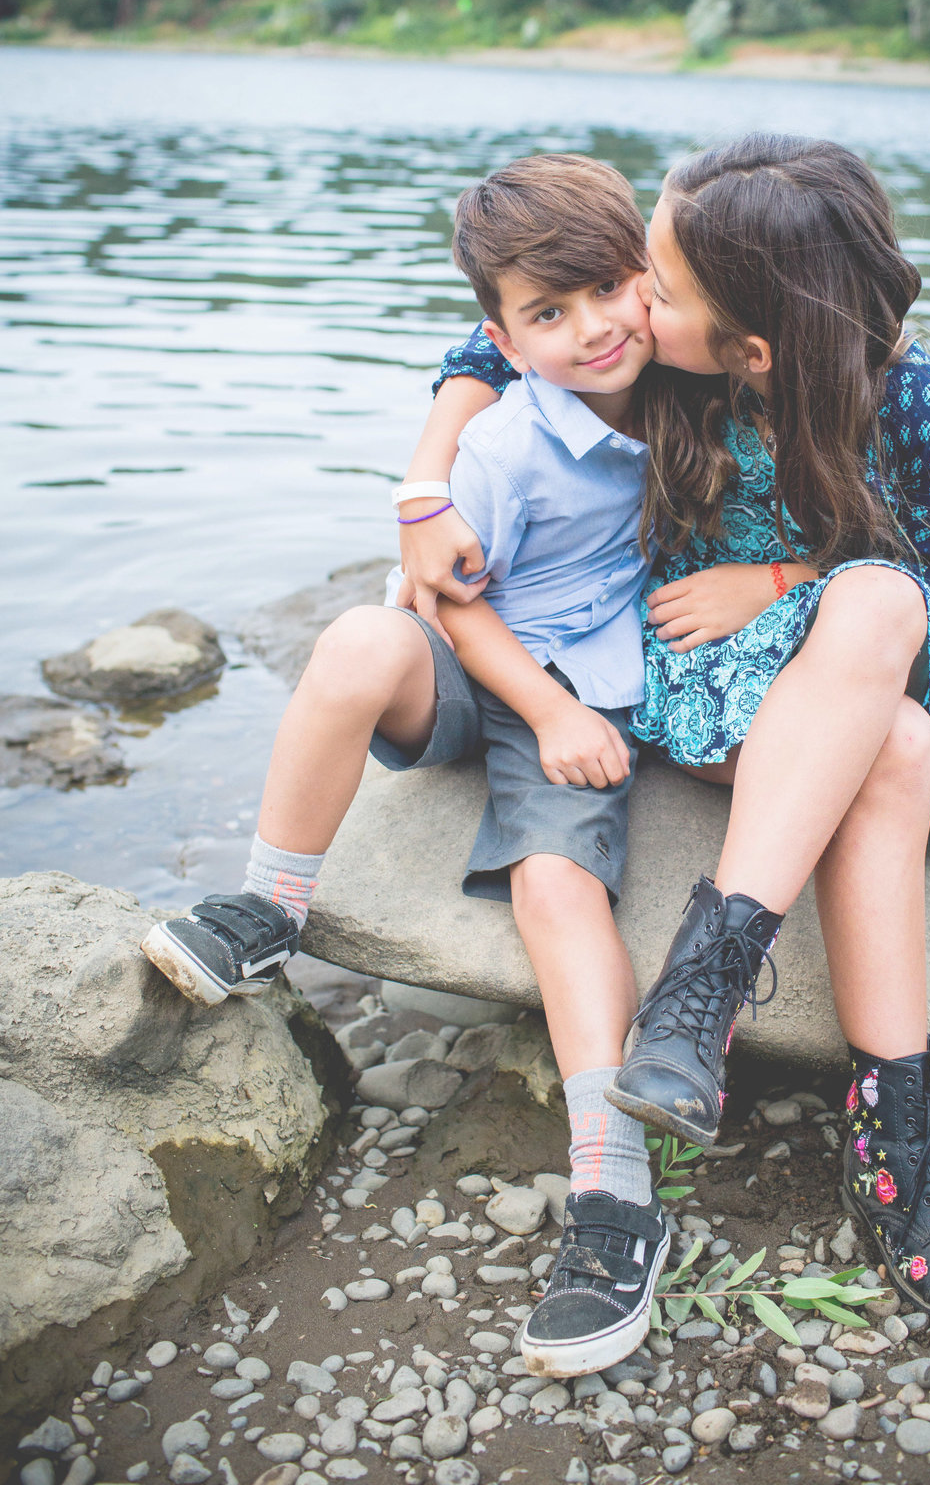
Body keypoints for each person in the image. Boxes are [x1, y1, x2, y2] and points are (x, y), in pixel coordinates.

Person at [401, 134, 930, 1334]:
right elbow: (487, 337)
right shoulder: (655, 355)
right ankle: (877, 1117)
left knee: (889, 630)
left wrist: (787, 572)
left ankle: (730, 1004)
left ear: (750, 347)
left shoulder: (915, 407)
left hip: (833, 669)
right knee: (888, 717)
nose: (632, 302)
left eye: (659, 282)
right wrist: (424, 489)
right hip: (703, 688)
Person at [141, 152, 676, 1379]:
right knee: (361, 636)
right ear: (501, 334)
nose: (591, 329)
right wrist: (541, 713)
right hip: (492, 679)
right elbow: (455, 602)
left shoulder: (691, 397)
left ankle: (614, 1190)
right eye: (548, 313)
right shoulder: (499, 440)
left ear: (649, 273)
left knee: (558, 888)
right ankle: (270, 905)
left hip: (598, 690)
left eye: (606, 290)